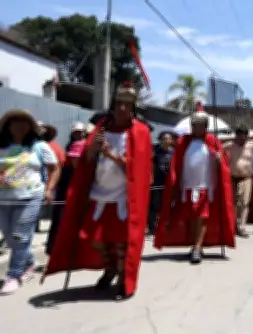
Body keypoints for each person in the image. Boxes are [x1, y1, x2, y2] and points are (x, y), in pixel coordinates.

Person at [43, 82, 152, 300]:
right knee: (95, 238)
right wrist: (92, 149)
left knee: (122, 242)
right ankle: (110, 268)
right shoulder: (101, 127)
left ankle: (123, 280)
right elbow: (86, 161)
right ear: (113, 105)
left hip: (123, 197)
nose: (123, 108)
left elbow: (138, 168)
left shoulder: (140, 131)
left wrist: (111, 154)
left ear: (133, 108)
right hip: (98, 194)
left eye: (127, 105)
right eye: (119, 103)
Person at [154, 111, 235, 264]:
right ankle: (195, 245)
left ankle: (197, 247)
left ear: (205, 126)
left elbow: (223, 164)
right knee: (191, 217)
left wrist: (219, 159)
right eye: (195, 125)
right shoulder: (183, 141)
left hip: (206, 186)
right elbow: (175, 162)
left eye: (200, 125)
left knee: (202, 216)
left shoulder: (213, 141)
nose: (197, 128)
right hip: (187, 186)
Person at [0, 110, 59, 294]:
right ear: (7, 126)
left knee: (20, 236)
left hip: (30, 197)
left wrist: (49, 189)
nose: (19, 126)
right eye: (14, 122)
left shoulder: (39, 146)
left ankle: (13, 275)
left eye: (23, 122)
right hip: (3, 199)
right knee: (11, 238)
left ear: (30, 127)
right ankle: (30, 262)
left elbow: (54, 168)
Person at [46, 122, 89, 255]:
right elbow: (77, 167)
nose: (78, 134)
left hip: (73, 186)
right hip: (69, 186)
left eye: (81, 132)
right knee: (62, 218)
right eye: (76, 132)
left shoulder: (81, 144)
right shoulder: (74, 145)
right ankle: (58, 249)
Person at [225, 125, 253, 237]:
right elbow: (217, 149)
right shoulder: (229, 146)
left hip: (246, 178)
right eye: (240, 135)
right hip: (232, 177)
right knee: (233, 203)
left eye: (245, 135)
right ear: (236, 135)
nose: (243, 138)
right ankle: (234, 224)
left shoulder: (251, 145)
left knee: (245, 203)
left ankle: (242, 226)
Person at [149, 131, 175, 235]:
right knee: (155, 205)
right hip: (156, 183)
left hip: (169, 183)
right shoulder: (156, 152)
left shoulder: (174, 153)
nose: (166, 141)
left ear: (171, 141)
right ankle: (152, 227)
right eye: (164, 139)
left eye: (168, 139)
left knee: (168, 205)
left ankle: (167, 225)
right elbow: (150, 165)